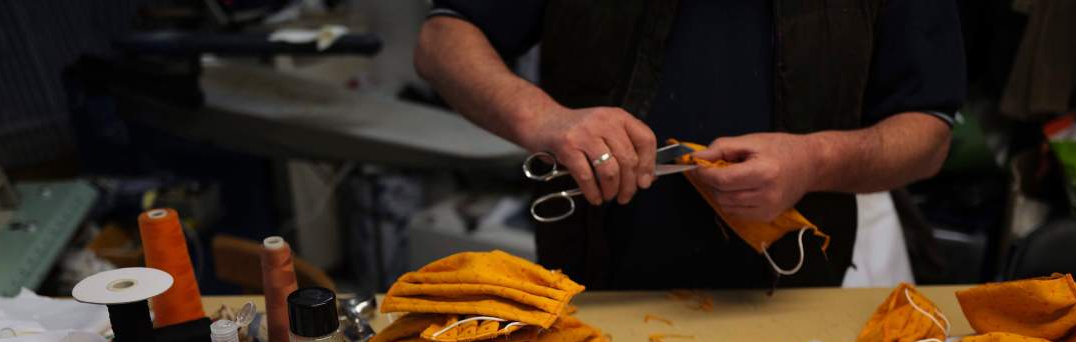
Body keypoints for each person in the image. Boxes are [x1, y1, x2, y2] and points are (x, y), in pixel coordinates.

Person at [414, 1, 966, 290]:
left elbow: (929, 134)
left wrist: (816, 160)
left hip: (797, 295)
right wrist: (547, 121)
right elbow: (444, 39)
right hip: (595, 283)